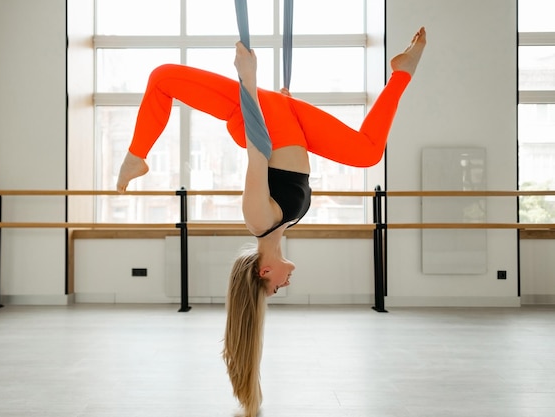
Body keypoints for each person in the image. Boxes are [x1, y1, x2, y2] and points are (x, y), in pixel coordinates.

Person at [117, 27, 426, 417]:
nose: (285, 285)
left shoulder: (258, 219)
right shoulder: (283, 226)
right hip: (289, 121)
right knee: (366, 153)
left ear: (264, 270)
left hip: (265, 120)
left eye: (275, 288)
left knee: (162, 77)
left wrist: (249, 80)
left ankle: (135, 155)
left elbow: (257, 151)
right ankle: (402, 71)